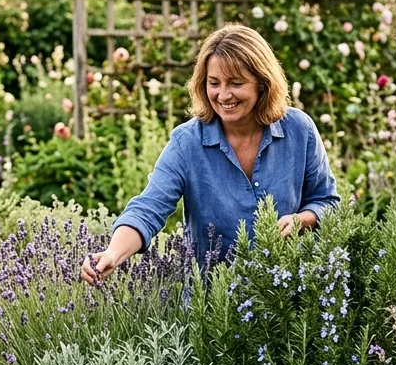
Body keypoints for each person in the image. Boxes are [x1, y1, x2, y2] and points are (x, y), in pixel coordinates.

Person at [81, 24, 339, 284]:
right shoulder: (187, 142)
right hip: (212, 306)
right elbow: (149, 208)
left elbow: (327, 200)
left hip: (285, 301)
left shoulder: (298, 129)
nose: (223, 95)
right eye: (213, 83)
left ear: (262, 84)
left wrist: (302, 220)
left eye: (236, 83)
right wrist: (113, 253)